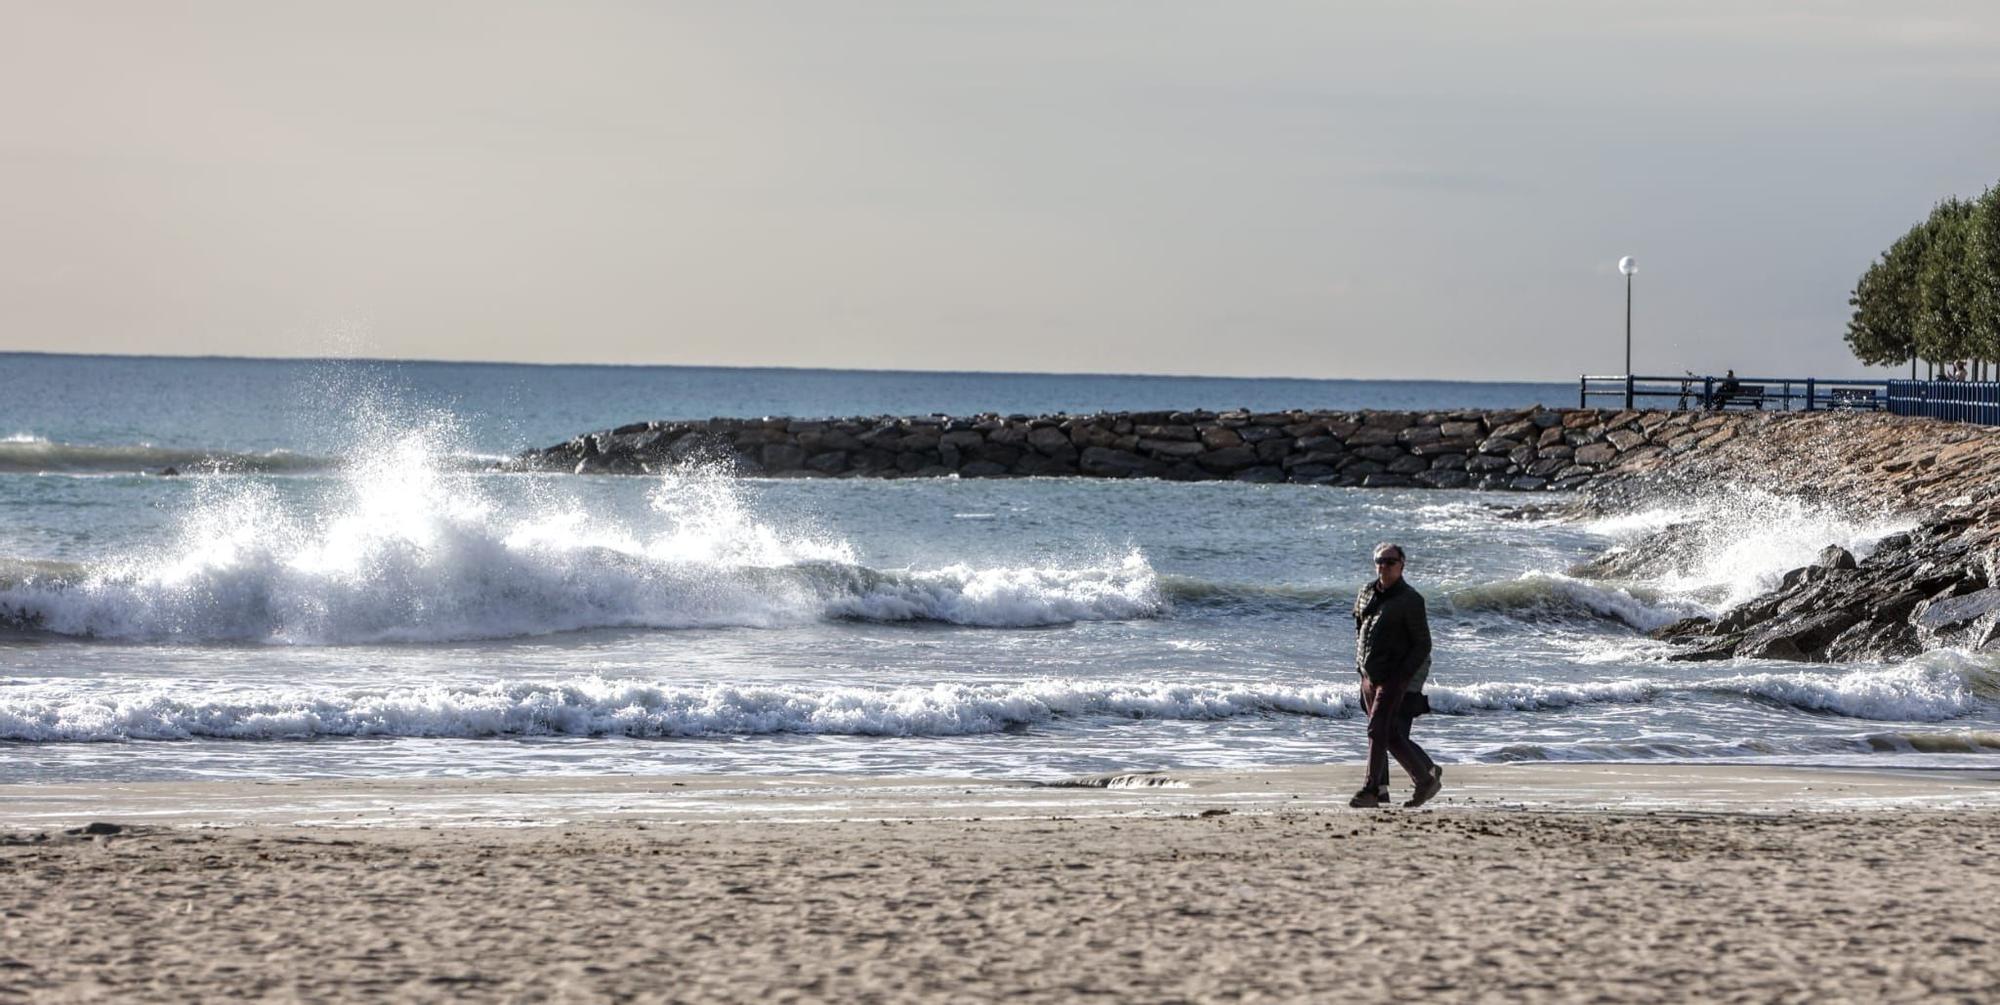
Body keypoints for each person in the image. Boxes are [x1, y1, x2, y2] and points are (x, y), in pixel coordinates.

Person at [1349, 543, 1443, 809]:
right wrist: (1361, 666)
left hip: (1395, 675)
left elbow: (1423, 644)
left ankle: (1370, 789)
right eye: (1380, 561)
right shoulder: (1366, 592)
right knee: (1385, 732)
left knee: (1379, 729)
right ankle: (1415, 781)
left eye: (1390, 561)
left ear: (1402, 564)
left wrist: (1403, 677)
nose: (1384, 566)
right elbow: (1361, 628)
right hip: (1369, 674)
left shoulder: (1411, 600)